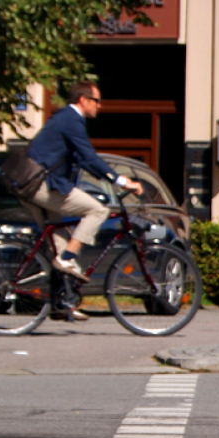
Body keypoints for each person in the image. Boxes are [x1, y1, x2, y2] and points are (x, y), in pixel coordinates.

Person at [24, 81, 142, 320]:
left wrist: (108, 178)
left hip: (34, 185)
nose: (100, 105)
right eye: (96, 100)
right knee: (97, 210)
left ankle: (61, 304)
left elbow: (82, 159)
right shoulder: (71, 119)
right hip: (41, 186)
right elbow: (89, 155)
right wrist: (121, 181)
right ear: (83, 100)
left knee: (60, 242)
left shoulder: (66, 119)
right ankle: (66, 260)